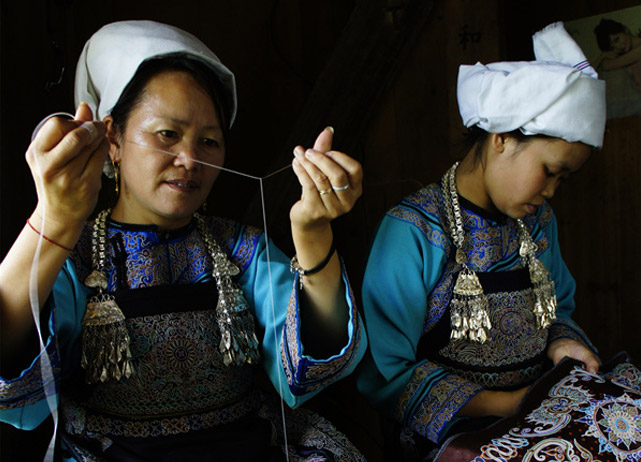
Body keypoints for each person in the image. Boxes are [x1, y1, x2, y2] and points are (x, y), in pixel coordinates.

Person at [0, 20, 367, 461]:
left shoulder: (241, 251)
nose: (190, 160)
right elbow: (10, 377)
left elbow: (313, 367)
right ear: (112, 138)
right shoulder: (74, 260)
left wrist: (312, 233)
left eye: (209, 141)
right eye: (167, 135)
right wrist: (54, 221)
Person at [357, 22, 606, 460]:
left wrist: (562, 342)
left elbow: (559, 308)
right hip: (452, 433)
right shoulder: (414, 230)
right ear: (502, 138)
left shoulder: (538, 222)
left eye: (564, 178)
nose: (551, 191)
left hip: (537, 409)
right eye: (550, 171)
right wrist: (508, 404)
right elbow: (387, 372)